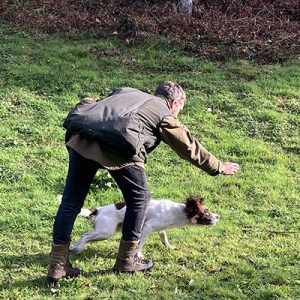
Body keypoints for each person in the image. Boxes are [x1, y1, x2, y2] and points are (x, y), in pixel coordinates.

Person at [47, 81, 239, 284]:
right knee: (140, 199)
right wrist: (218, 166)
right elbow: (187, 145)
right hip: (118, 145)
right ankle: (127, 260)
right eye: (179, 110)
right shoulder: (163, 112)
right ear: (174, 103)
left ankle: (58, 266)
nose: (177, 114)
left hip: (82, 140)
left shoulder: (126, 92)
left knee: (71, 202)